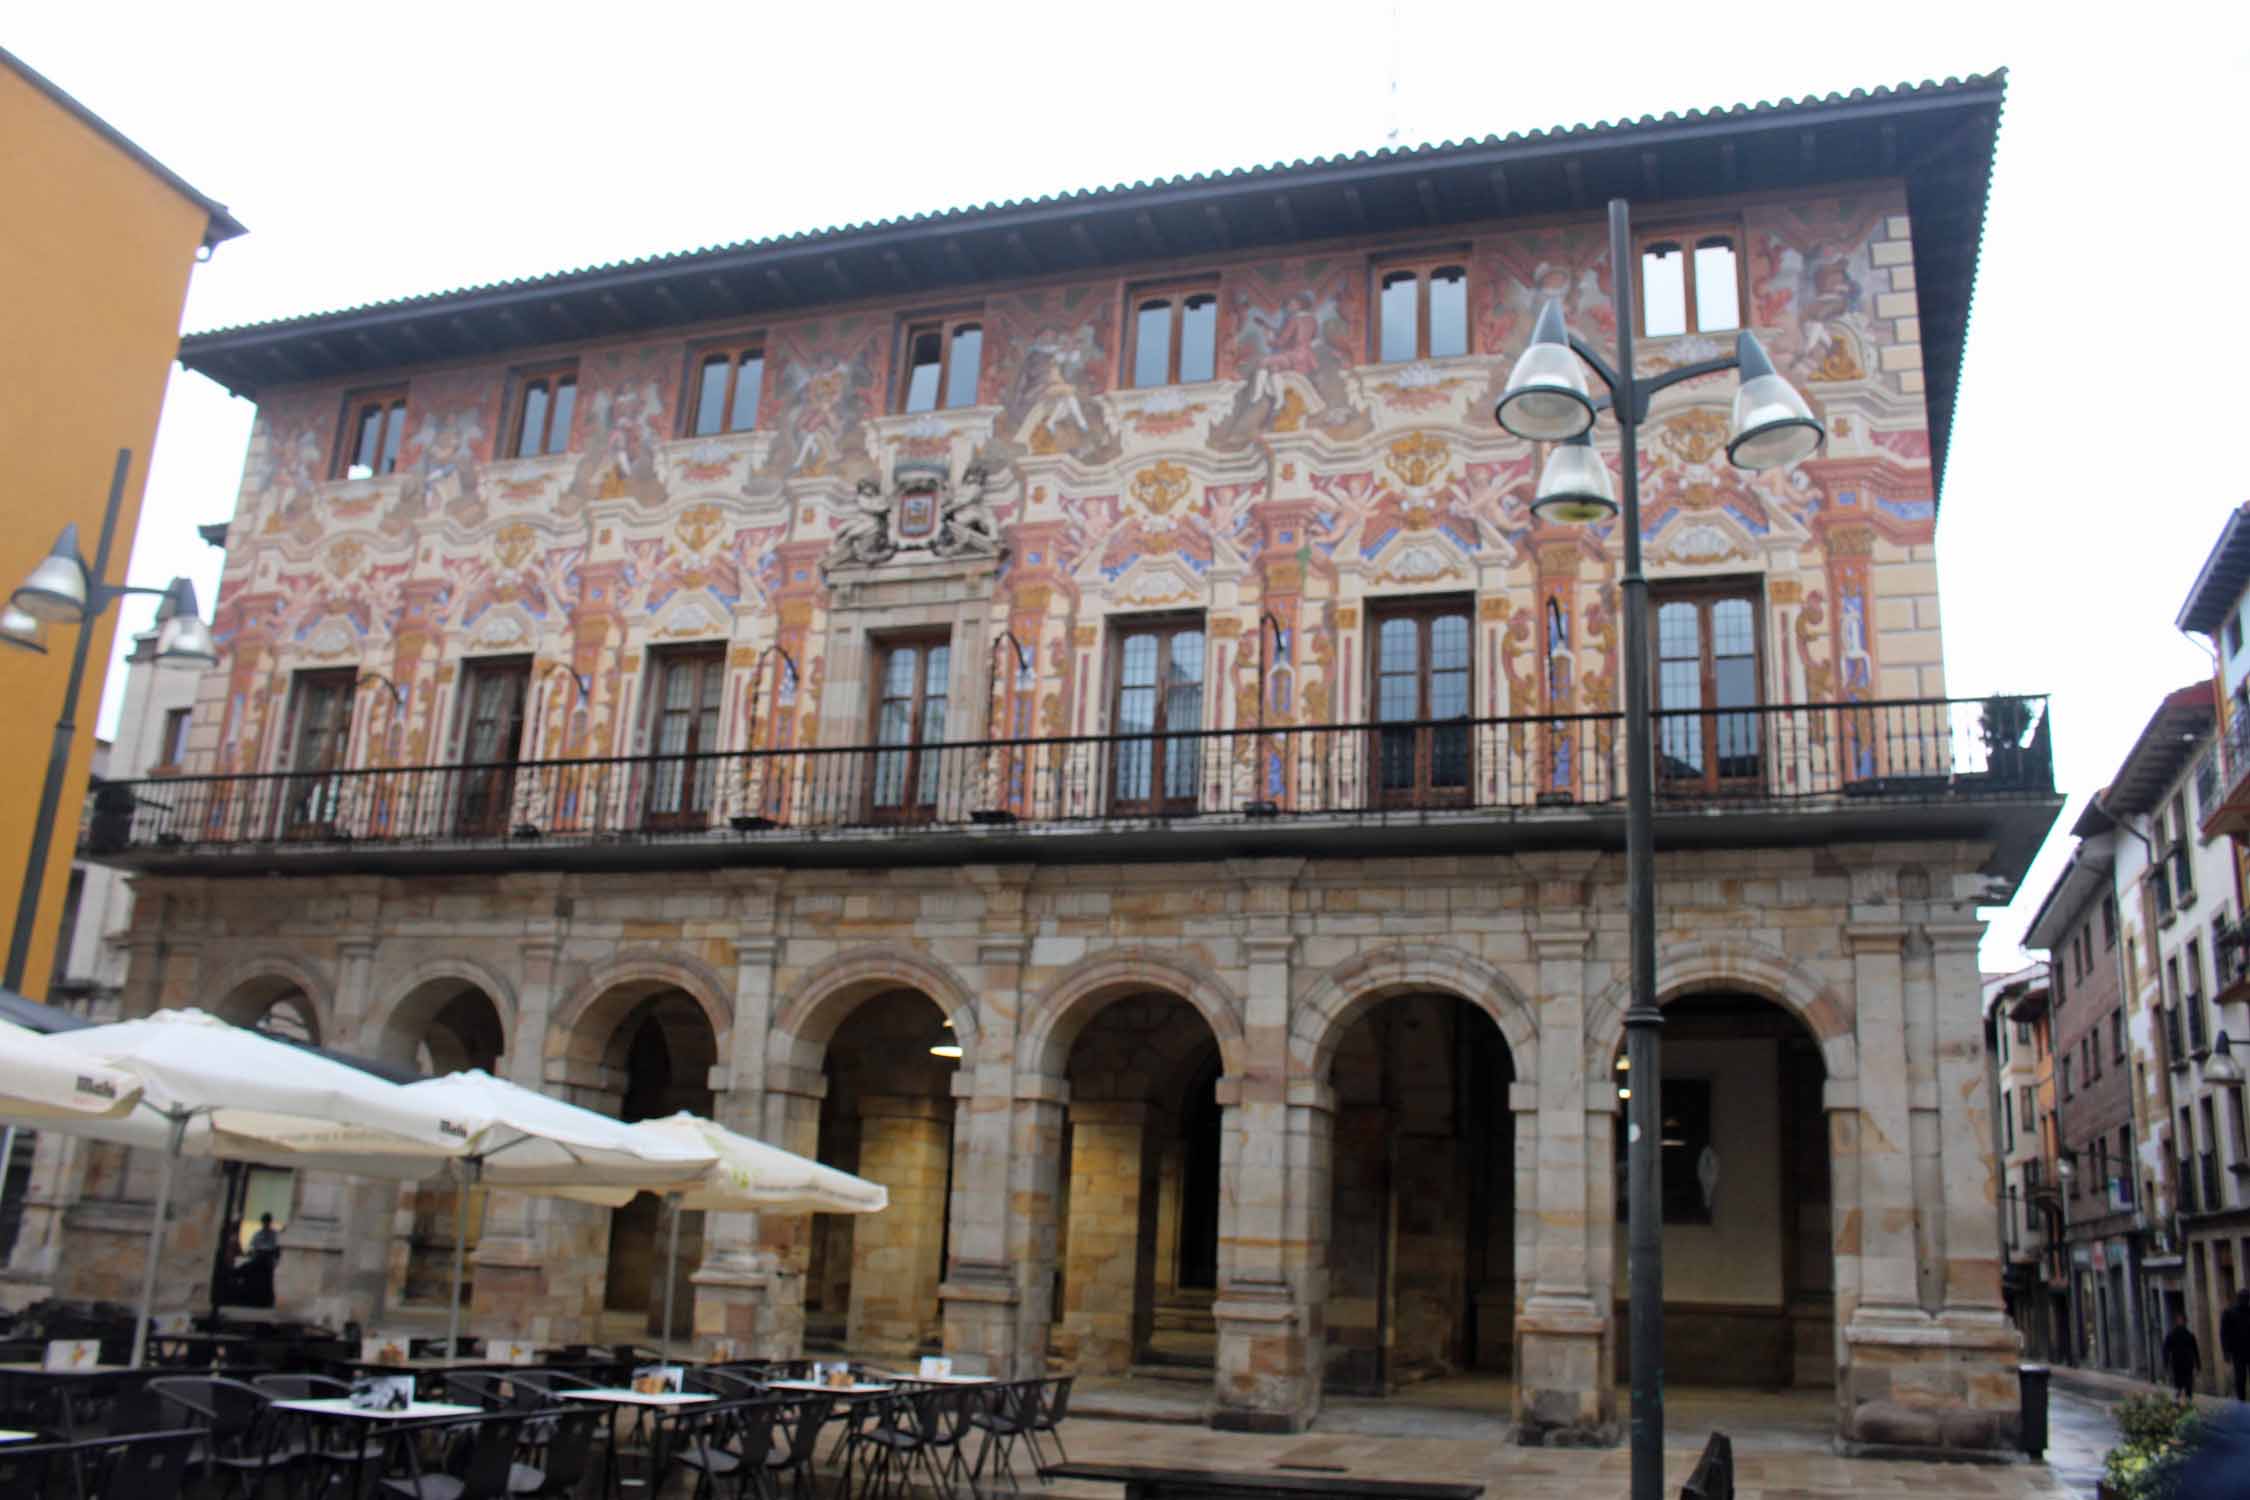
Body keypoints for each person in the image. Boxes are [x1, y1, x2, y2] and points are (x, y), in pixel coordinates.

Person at [2165, 1312, 2202, 1401]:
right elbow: (2166, 1349)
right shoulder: (2172, 1335)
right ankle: (2181, 1399)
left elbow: (2195, 1350)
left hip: (2187, 1363)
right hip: (2177, 1363)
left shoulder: (2189, 1335)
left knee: (2188, 1384)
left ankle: (2187, 1399)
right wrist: (2166, 1363)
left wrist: (2198, 1364)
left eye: (2181, 1321)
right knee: (2179, 1384)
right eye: (2179, 1321)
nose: (2180, 1322)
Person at [2223, 1288, 2250, 1402]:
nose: (2245, 1301)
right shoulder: (2229, 1313)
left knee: (2240, 1377)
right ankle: (2241, 1400)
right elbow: (2224, 1333)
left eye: (2246, 1298)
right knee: (2240, 1378)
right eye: (2243, 1298)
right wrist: (2226, 1352)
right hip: (2238, 1351)